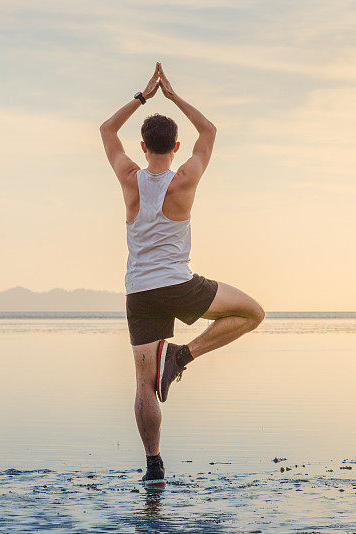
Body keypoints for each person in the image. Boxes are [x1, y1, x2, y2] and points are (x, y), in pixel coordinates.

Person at [99, 63, 265, 488]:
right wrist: (171, 95)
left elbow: (105, 130)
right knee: (252, 314)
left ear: (142, 145)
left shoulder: (128, 177)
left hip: (139, 292)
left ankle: (153, 465)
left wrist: (143, 96)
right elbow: (208, 131)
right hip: (178, 285)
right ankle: (183, 356)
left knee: (143, 385)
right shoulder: (185, 178)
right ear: (175, 146)